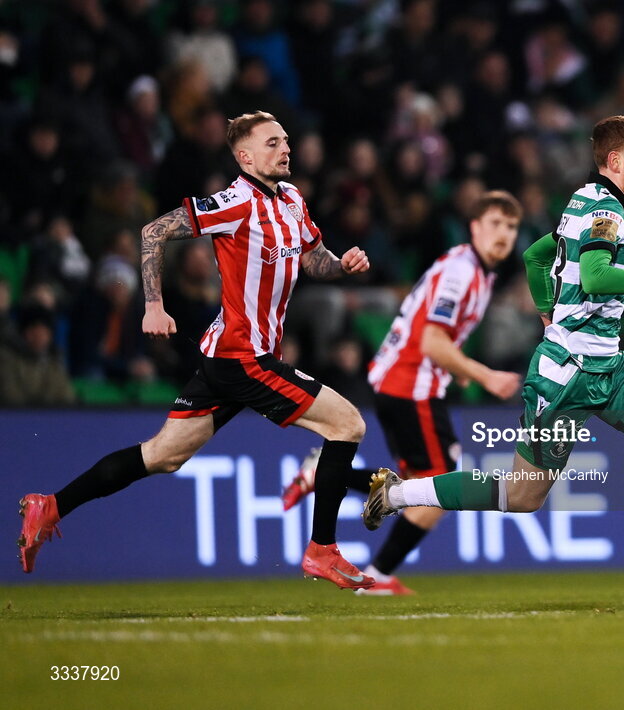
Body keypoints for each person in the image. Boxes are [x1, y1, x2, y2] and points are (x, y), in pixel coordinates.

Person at [362, 116, 624, 609]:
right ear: (615, 161)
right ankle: (395, 496)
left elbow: (537, 258)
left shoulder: (582, 203)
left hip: (607, 368)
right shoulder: (604, 210)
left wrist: (547, 311)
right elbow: (598, 276)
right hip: (566, 379)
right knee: (522, 497)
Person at [17, 111, 378, 592]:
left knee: (163, 456)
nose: (286, 148)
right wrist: (152, 305)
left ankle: (50, 507)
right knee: (348, 423)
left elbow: (314, 260)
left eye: (286, 140)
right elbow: (152, 232)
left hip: (231, 358)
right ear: (244, 156)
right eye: (272, 143)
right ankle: (322, 551)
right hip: (243, 358)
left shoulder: (291, 200)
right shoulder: (234, 202)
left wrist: (342, 265)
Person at [281, 191, 524, 594]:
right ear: (475, 227)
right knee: (441, 485)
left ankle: (320, 476)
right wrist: (484, 376)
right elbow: (431, 342)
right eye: (496, 224)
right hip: (411, 384)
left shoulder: (477, 271)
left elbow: (437, 335)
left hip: (408, 381)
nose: (504, 234)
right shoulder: (462, 273)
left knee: (419, 484)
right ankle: (378, 574)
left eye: (512, 227)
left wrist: (456, 368)